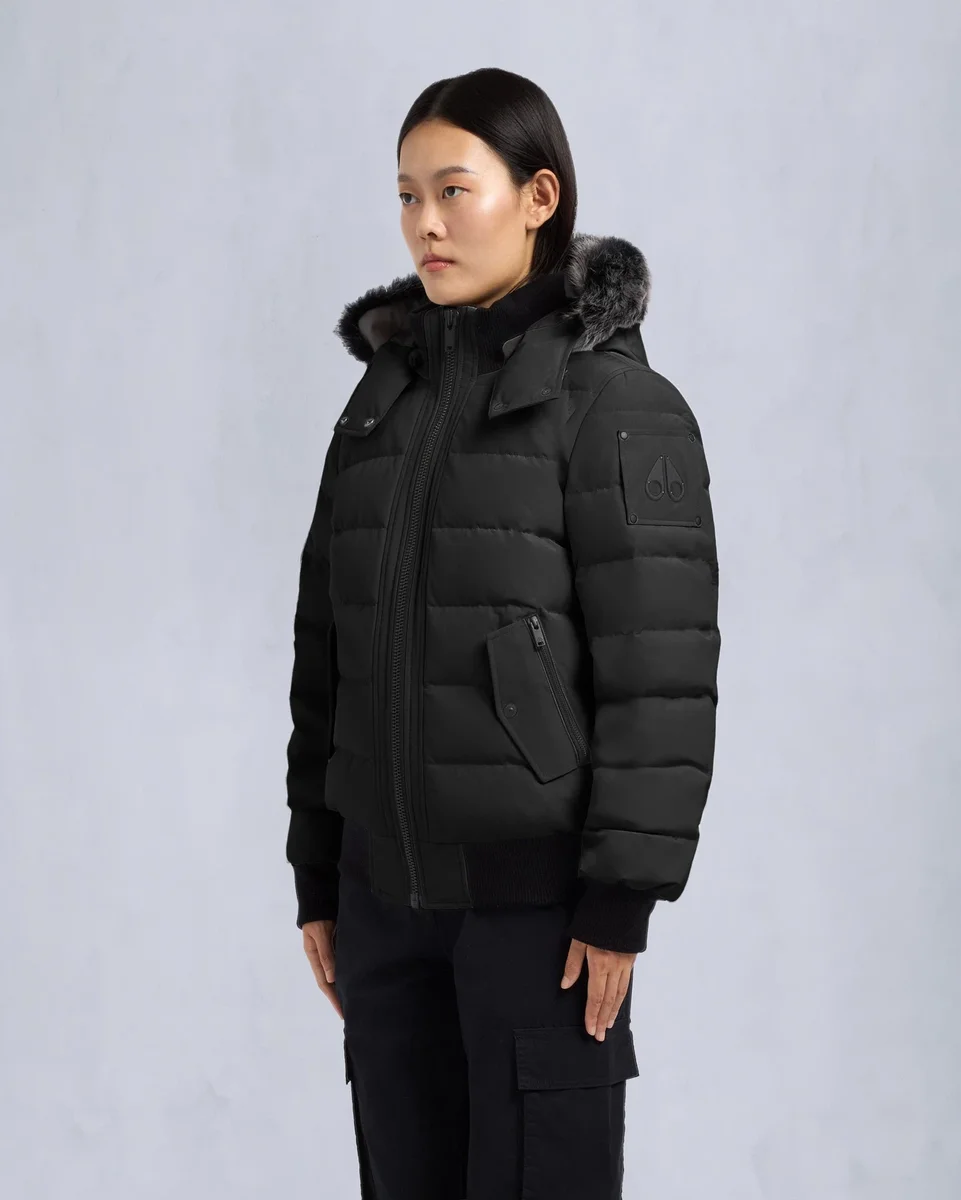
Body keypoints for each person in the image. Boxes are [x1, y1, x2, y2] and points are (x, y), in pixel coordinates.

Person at [284, 67, 721, 1200]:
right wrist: (319, 872)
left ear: (538, 197)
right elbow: (326, 650)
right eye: (406, 195)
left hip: (540, 922)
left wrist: (618, 898)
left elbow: (662, 676)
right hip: (383, 909)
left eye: (453, 190)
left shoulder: (617, 408)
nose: (424, 223)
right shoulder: (377, 409)